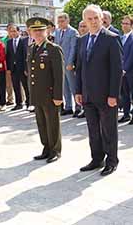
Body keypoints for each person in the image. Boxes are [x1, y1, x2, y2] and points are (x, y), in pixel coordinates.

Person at [75, 5, 123, 177]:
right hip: (87, 95)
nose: (93, 22)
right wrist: (78, 91)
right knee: (93, 130)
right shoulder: (82, 40)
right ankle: (96, 159)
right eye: (89, 19)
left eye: (96, 18)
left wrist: (113, 95)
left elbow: (117, 70)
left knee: (108, 130)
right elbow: (79, 68)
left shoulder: (112, 38)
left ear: (102, 18)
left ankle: (112, 161)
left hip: (106, 96)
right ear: (85, 21)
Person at [27, 17, 64, 163]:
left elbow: (59, 75)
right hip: (37, 92)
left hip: (50, 93)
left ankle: (55, 150)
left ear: (47, 31)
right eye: (35, 31)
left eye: (41, 30)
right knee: (41, 122)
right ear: (30, 32)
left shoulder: (53, 49)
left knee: (52, 122)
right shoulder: (31, 48)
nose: (38, 33)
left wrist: (58, 95)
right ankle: (46, 147)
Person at [54, 13, 80, 117]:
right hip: (60, 63)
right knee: (64, 87)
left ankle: (78, 107)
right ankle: (68, 107)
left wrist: (70, 62)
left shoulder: (73, 32)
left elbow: (74, 48)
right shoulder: (57, 32)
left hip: (69, 64)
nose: (60, 23)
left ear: (67, 21)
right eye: (59, 21)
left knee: (73, 86)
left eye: (62, 21)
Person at [119, 15, 133, 124]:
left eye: (127, 23)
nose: (124, 26)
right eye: (123, 23)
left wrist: (125, 69)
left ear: (132, 25)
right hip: (121, 72)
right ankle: (126, 114)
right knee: (124, 95)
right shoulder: (120, 38)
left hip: (131, 72)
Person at [6, 25, 30, 111]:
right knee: (16, 86)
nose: (13, 33)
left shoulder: (23, 40)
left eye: (14, 31)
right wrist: (8, 68)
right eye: (11, 31)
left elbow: (25, 55)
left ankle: (29, 103)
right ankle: (18, 103)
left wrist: (26, 68)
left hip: (22, 67)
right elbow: (8, 56)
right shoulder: (9, 42)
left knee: (26, 86)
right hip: (13, 68)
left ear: (18, 31)